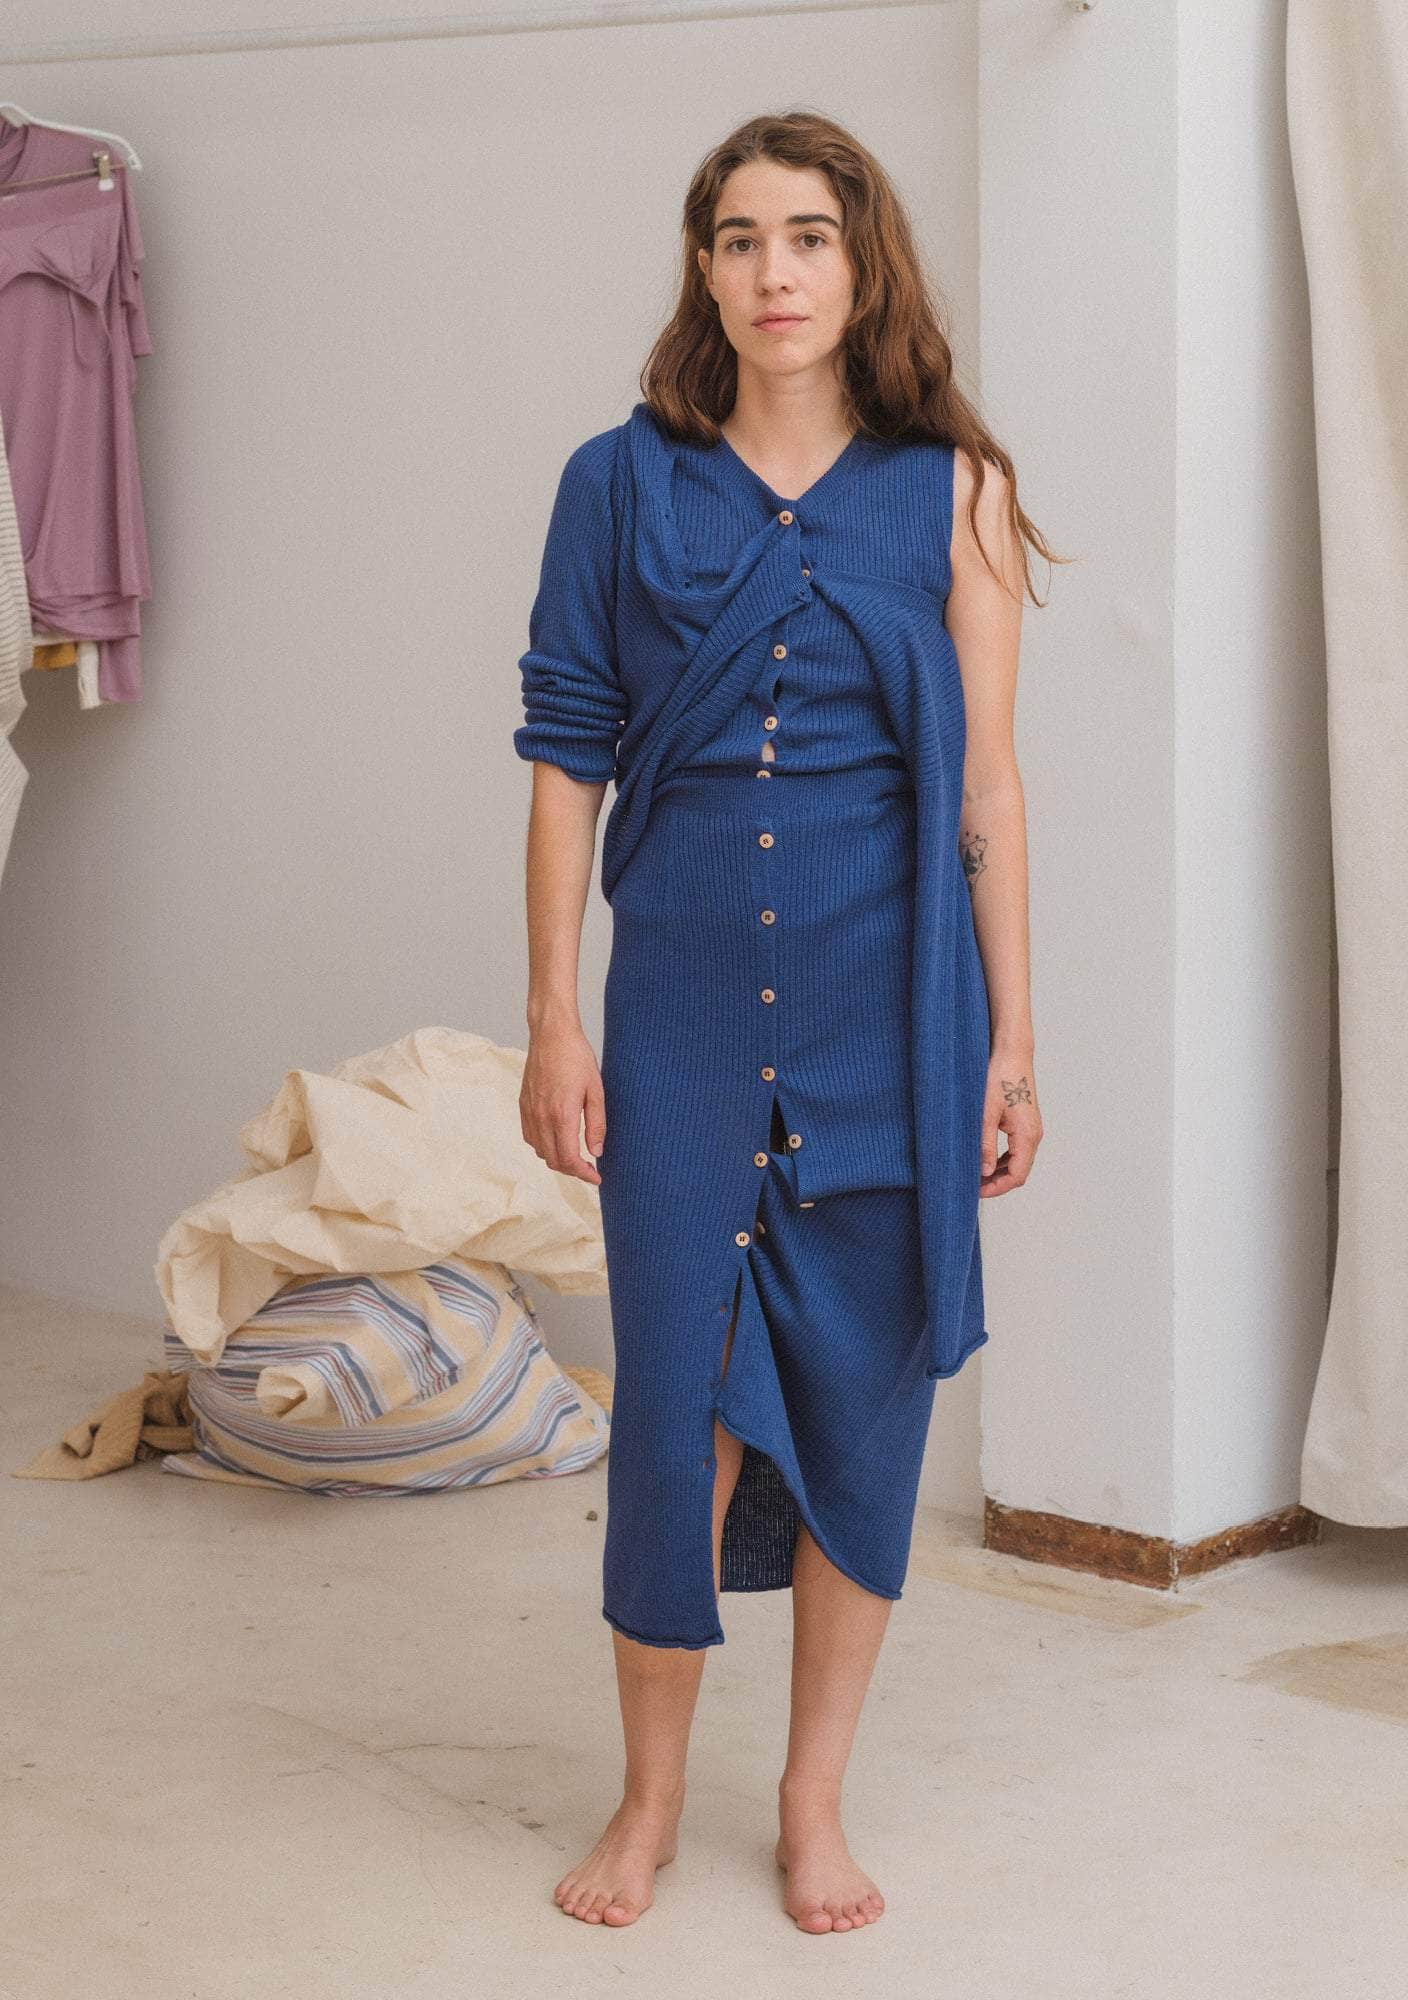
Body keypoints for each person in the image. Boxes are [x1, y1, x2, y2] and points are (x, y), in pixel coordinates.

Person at [516, 110, 1062, 1935]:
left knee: (858, 1410)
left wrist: (1011, 1041)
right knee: (673, 1414)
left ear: (860, 259)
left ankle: (811, 1800)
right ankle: (649, 1798)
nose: (775, 272)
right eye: (741, 238)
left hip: (886, 1015)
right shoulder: (618, 483)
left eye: (808, 236)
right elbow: (564, 760)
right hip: (674, 1012)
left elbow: (988, 787)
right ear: (705, 267)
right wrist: (553, 1020)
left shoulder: (953, 488)